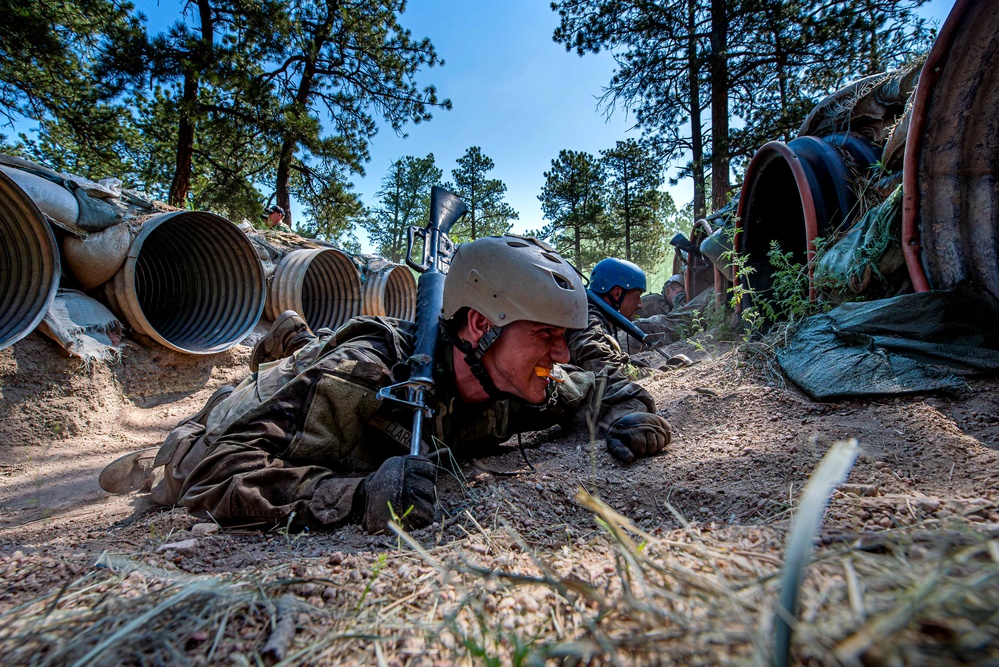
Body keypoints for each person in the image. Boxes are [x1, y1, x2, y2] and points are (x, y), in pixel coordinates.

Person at [99, 236, 671, 534]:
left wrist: (632, 416)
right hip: (214, 443)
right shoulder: (362, 377)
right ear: (480, 326)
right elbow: (217, 474)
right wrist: (356, 496)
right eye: (546, 334)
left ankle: (292, 343)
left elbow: (598, 387)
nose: (561, 353)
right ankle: (153, 455)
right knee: (188, 454)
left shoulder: (517, 378)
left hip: (324, 409)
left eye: (564, 337)